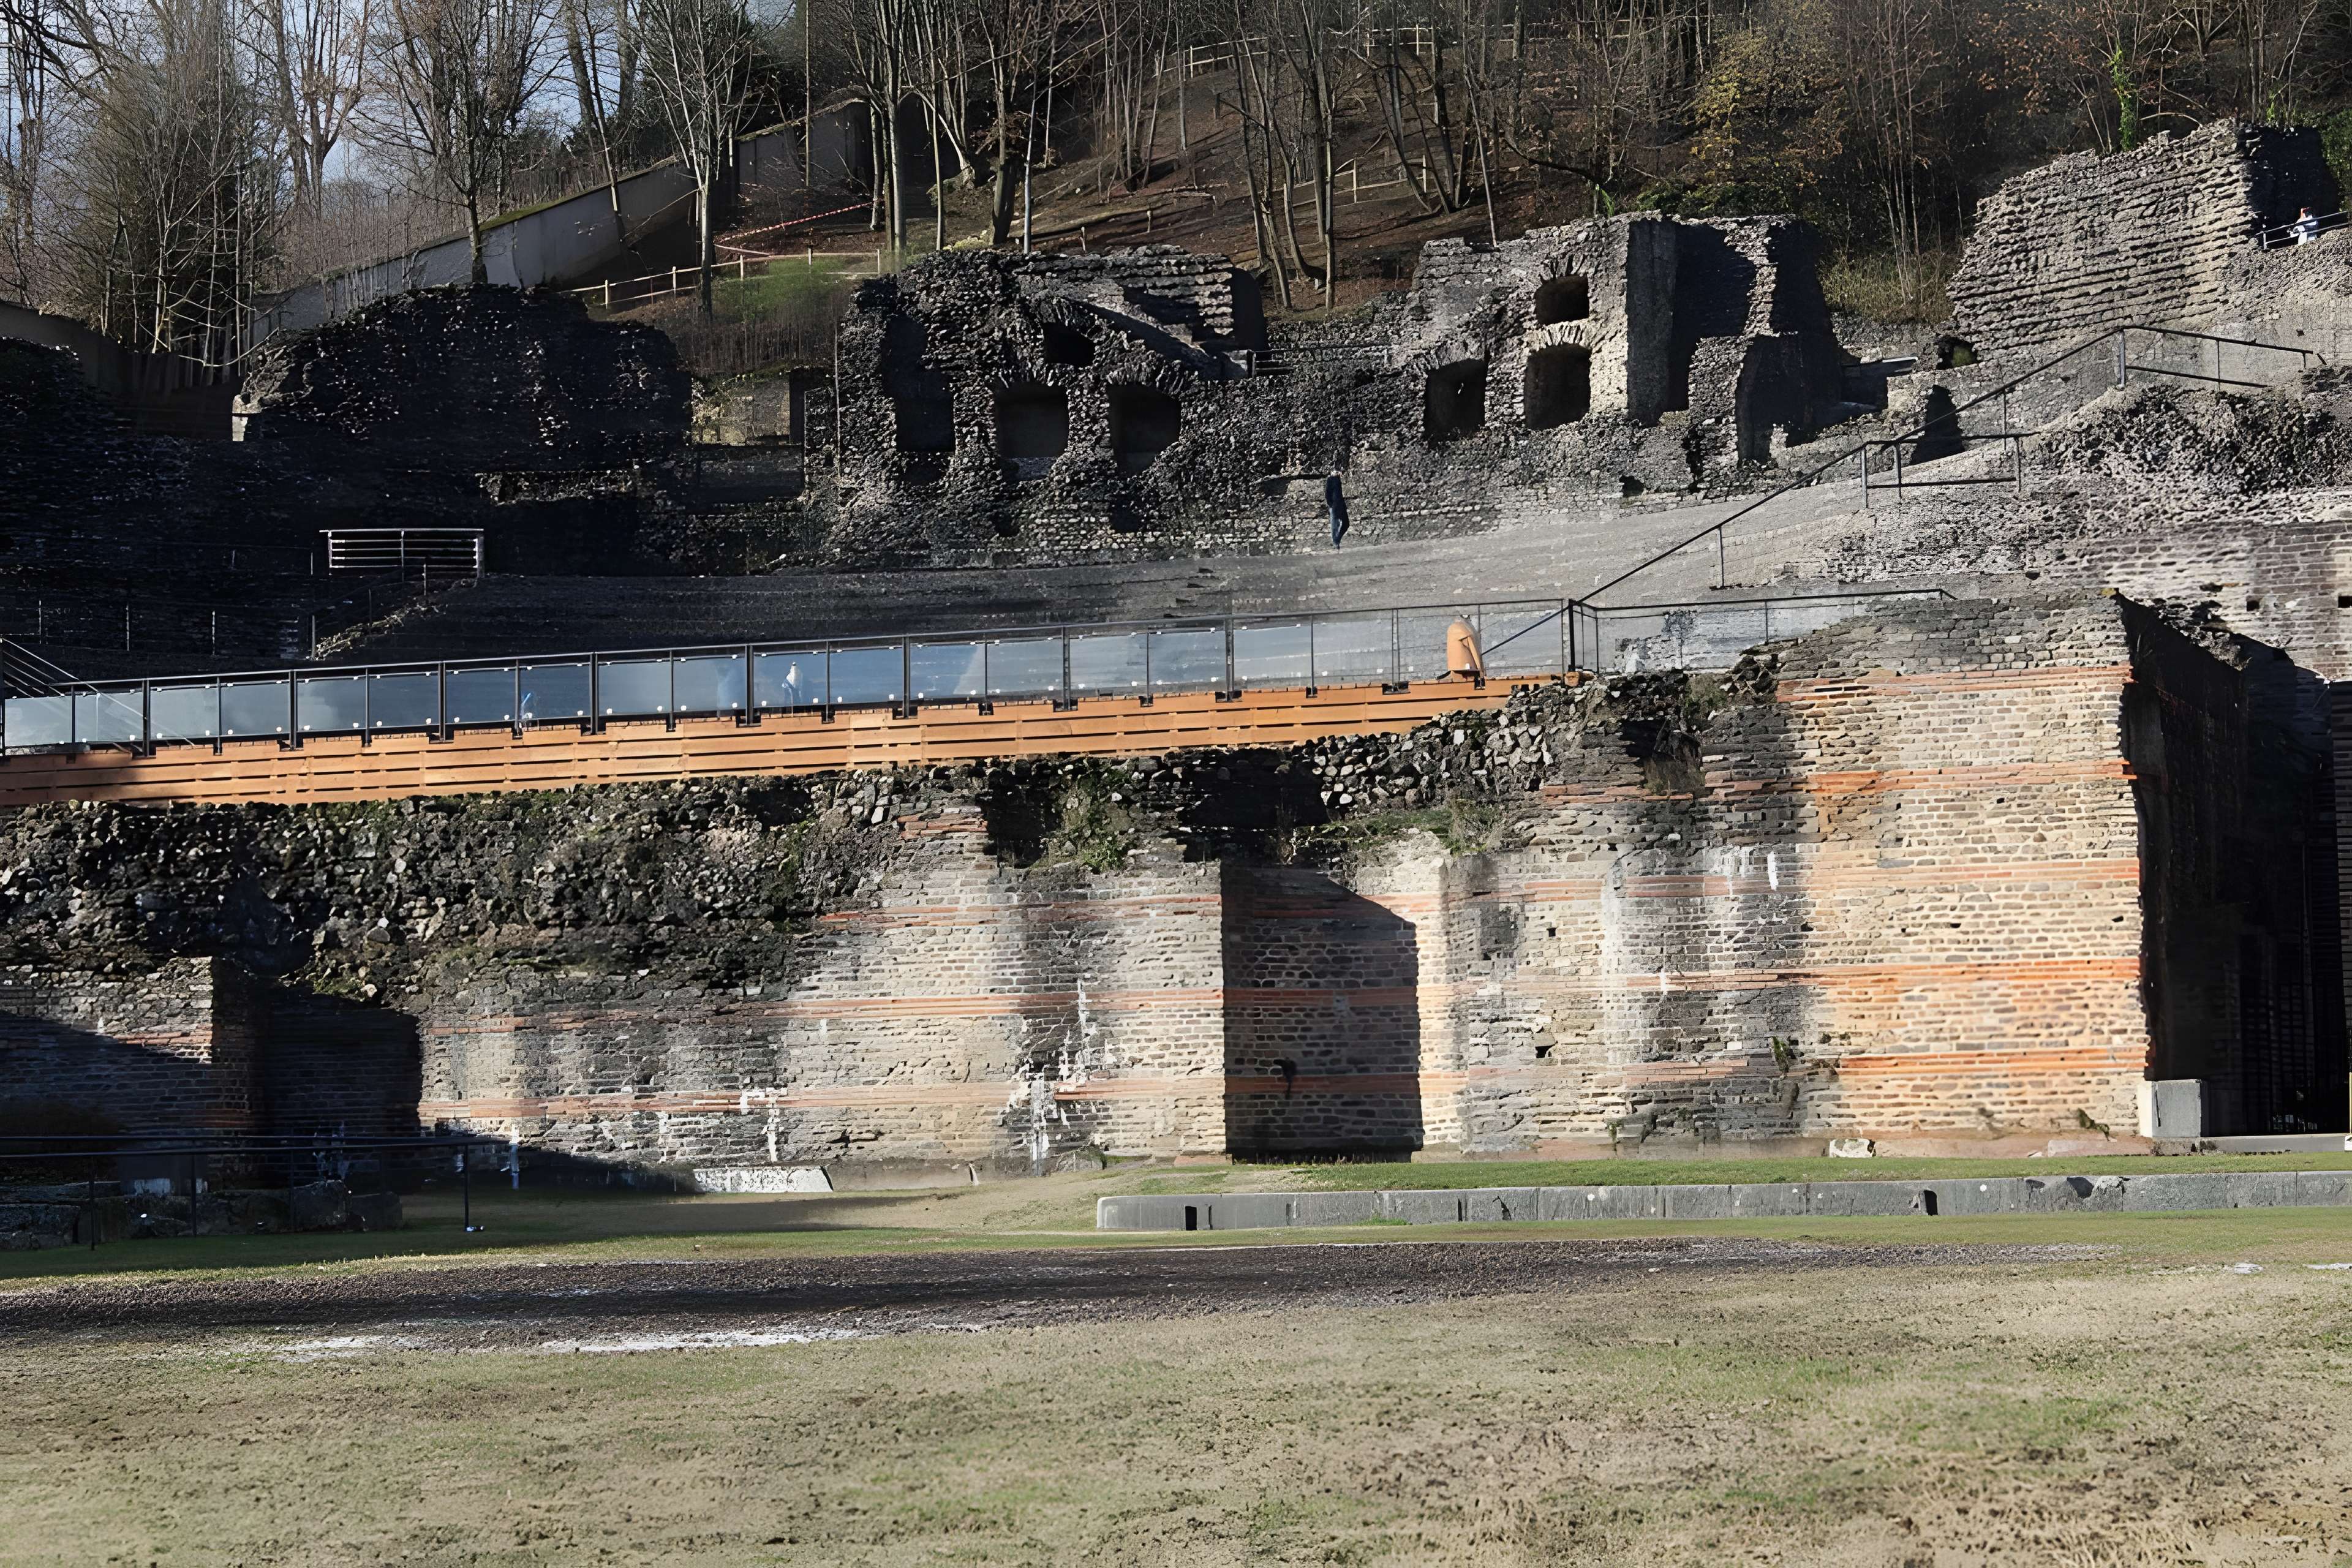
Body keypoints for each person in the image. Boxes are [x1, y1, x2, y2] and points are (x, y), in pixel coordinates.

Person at [1446, 617, 1486, 682]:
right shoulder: (1462, 628)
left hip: (1456, 666)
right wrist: (1480, 668)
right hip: (1465, 666)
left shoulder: (1453, 628)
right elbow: (1472, 648)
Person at [1325, 470, 1349, 547]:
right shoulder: (1331, 480)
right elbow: (1327, 494)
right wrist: (1331, 505)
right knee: (1335, 525)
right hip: (1334, 506)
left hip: (1341, 505)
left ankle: (1337, 539)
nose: (1337, 473)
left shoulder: (1338, 480)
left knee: (1346, 524)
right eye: (1335, 472)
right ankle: (1336, 542)